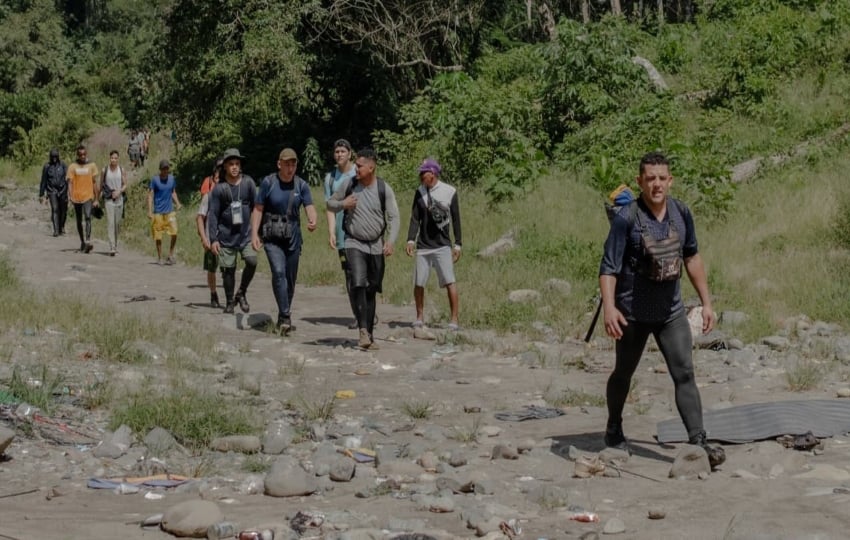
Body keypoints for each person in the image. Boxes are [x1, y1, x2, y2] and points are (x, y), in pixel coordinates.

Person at [598, 151, 725, 468]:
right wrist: (610, 309)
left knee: (684, 373)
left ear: (670, 180)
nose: (656, 184)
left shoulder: (681, 212)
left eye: (661, 178)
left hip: (671, 312)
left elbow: (692, 257)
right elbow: (608, 268)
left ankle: (698, 441)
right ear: (640, 181)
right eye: (650, 178)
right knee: (623, 373)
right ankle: (614, 428)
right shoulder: (627, 219)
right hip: (632, 314)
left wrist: (707, 303)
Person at [326, 147, 400, 350]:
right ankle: (362, 329)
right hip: (353, 241)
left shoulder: (384, 188)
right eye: (356, 165)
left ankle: (370, 335)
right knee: (358, 282)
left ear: (371, 167)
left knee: (371, 289)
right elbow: (329, 203)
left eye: (359, 166)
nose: (356, 169)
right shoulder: (348, 184)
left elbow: (394, 216)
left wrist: (391, 241)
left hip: (376, 245)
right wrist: (343, 204)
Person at [251, 148, 318, 334]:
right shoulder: (268, 183)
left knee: (290, 279)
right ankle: (286, 315)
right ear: (279, 164)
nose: (290, 167)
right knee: (278, 272)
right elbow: (257, 209)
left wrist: (313, 220)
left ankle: (282, 315)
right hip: (272, 237)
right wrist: (254, 234)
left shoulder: (301, 185)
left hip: (293, 238)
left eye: (293, 164)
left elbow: (309, 206)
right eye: (287, 164)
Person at [404, 158, 462, 338]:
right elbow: (415, 218)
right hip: (423, 245)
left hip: (442, 245)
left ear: (433, 174)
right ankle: (419, 317)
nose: (421, 175)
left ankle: (454, 319)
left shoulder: (450, 191)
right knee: (419, 282)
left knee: (449, 281)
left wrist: (458, 244)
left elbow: (456, 219)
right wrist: (410, 240)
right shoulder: (419, 192)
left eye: (424, 172)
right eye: (420, 172)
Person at [207, 148, 258, 314]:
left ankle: (241, 292)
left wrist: (257, 232)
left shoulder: (248, 183)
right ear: (225, 168)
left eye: (237, 164)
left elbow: (256, 208)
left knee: (252, 261)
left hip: (246, 235)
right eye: (231, 164)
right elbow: (213, 214)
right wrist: (213, 239)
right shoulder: (219, 189)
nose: (235, 167)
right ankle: (230, 301)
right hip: (226, 236)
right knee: (228, 270)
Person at [323, 138, 358, 327]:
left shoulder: (358, 173)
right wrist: (331, 232)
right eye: (336, 152)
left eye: (343, 151)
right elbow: (329, 207)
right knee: (350, 275)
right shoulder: (330, 178)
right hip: (342, 235)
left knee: (365, 275)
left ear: (350, 153)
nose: (339, 155)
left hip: (360, 232)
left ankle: (368, 310)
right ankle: (357, 314)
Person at [197, 158, 223, 307]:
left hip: (227, 238)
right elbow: (200, 217)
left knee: (227, 268)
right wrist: (203, 237)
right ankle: (213, 294)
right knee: (212, 268)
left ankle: (230, 297)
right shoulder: (209, 196)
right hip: (210, 236)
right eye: (218, 178)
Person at [147, 159, 182, 265]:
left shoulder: (171, 179)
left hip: (170, 211)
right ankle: (159, 257)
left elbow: (173, 193)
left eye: (167, 168)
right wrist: (149, 211)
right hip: (158, 212)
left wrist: (178, 203)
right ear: (160, 169)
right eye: (164, 168)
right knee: (158, 236)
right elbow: (150, 196)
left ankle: (170, 255)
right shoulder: (155, 180)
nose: (166, 170)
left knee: (174, 232)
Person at [66, 145, 100, 253]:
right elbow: (70, 183)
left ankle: (88, 241)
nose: (82, 156)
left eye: (84, 154)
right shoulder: (72, 166)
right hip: (77, 197)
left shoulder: (92, 165)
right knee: (79, 220)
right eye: (80, 155)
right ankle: (82, 241)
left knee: (88, 216)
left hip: (88, 196)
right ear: (77, 155)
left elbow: (94, 182)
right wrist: (70, 195)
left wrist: (96, 198)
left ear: (87, 154)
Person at [100, 150, 128, 256]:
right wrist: (98, 199)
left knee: (117, 224)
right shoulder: (105, 170)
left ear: (118, 159)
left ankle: (115, 244)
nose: (114, 160)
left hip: (119, 199)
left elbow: (125, 184)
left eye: (116, 158)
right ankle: (111, 246)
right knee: (110, 223)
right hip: (108, 200)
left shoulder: (122, 170)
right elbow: (101, 184)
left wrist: (119, 191)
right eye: (112, 158)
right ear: (109, 158)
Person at [39, 148, 68, 237]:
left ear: (58, 156)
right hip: (52, 191)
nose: (54, 158)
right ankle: (56, 230)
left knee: (63, 210)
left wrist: (69, 191)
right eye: (52, 156)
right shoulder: (47, 166)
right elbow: (43, 181)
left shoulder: (63, 165)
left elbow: (68, 178)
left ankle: (61, 227)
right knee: (55, 209)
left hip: (63, 190)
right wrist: (41, 194)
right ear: (50, 157)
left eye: (56, 156)